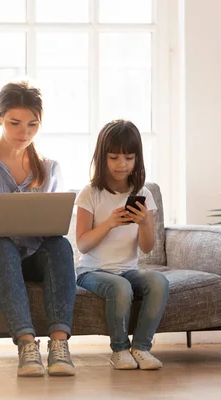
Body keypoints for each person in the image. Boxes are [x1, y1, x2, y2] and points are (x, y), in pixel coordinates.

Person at [0, 80, 76, 377]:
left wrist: (48, 225)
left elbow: (56, 221)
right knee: (2, 245)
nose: (24, 133)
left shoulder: (49, 167)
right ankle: (26, 345)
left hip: (32, 253)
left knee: (61, 245)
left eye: (33, 124)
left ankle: (59, 346)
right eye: (15, 123)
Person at [75, 119, 169, 370]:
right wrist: (109, 223)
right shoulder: (90, 193)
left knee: (158, 281)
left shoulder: (143, 194)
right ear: (102, 157)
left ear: (137, 159)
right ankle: (119, 349)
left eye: (128, 157)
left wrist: (144, 224)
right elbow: (82, 245)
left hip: (128, 269)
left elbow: (148, 248)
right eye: (114, 157)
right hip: (91, 271)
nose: (122, 164)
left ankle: (141, 348)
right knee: (120, 287)